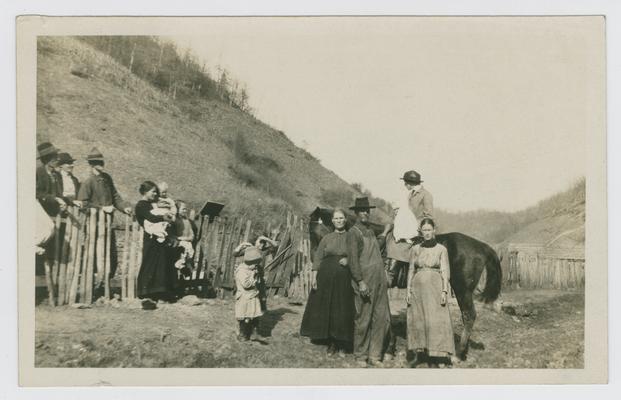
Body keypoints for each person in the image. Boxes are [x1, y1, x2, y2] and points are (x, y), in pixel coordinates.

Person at [300, 208, 361, 356]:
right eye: (336, 219)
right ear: (332, 221)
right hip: (325, 276)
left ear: (345, 220)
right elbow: (319, 257)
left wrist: (348, 259)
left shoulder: (351, 237)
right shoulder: (327, 238)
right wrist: (314, 276)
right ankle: (329, 341)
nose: (339, 221)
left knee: (341, 308)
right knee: (326, 306)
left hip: (343, 278)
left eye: (341, 218)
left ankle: (340, 342)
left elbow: (358, 254)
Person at [406, 218, 458, 367]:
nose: (427, 233)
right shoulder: (415, 249)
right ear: (421, 231)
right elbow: (411, 269)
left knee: (436, 320)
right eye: (424, 230)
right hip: (417, 289)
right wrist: (408, 289)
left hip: (435, 289)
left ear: (434, 230)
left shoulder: (441, 249)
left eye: (429, 230)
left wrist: (444, 291)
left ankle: (435, 356)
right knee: (418, 319)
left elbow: (444, 270)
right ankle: (420, 354)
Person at [348, 197, 391, 366]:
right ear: (356, 213)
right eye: (362, 211)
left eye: (367, 210)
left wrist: (385, 233)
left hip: (379, 281)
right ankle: (360, 355)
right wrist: (360, 281)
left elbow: (378, 245)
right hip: (365, 281)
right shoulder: (353, 233)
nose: (365, 213)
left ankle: (374, 355)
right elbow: (352, 260)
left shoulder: (370, 231)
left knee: (380, 318)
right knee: (363, 318)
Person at [384, 170, 434, 287]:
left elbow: (429, 216)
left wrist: (416, 225)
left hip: (416, 230)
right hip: (403, 226)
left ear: (410, 183)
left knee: (397, 246)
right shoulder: (407, 193)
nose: (405, 185)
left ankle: (390, 275)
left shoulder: (425, 195)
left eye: (406, 183)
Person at [134, 181, 177, 308]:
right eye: (152, 191)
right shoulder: (141, 205)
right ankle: (146, 293)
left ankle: (160, 293)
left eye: (155, 192)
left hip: (161, 237)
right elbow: (150, 218)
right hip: (151, 238)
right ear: (145, 192)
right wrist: (164, 217)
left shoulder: (153, 204)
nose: (155, 194)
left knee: (162, 264)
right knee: (150, 263)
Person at [75, 147, 132, 215]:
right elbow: (83, 203)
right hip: (92, 220)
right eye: (98, 162)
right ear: (91, 164)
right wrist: (102, 208)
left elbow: (115, 196)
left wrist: (124, 207)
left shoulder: (107, 178)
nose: (101, 163)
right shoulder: (88, 181)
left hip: (108, 219)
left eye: (102, 161)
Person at [235, 246, 265, 342]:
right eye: (254, 264)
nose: (255, 266)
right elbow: (246, 284)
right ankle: (243, 334)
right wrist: (253, 276)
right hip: (244, 297)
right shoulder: (241, 271)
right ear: (248, 262)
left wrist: (256, 275)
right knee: (244, 317)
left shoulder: (252, 269)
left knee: (254, 315)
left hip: (252, 296)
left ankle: (254, 333)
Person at [36, 142, 65, 217]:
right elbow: (36, 193)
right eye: (55, 157)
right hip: (41, 212)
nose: (58, 159)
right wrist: (54, 198)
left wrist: (71, 201)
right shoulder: (38, 173)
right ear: (47, 160)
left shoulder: (57, 175)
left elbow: (60, 195)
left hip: (56, 212)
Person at [172, 200, 195, 270]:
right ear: (177, 210)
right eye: (183, 209)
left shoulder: (187, 221)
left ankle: (186, 267)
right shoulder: (175, 220)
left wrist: (190, 237)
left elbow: (191, 233)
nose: (185, 211)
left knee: (188, 254)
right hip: (178, 244)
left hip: (187, 242)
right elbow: (172, 234)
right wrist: (179, 238)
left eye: (186, 209)